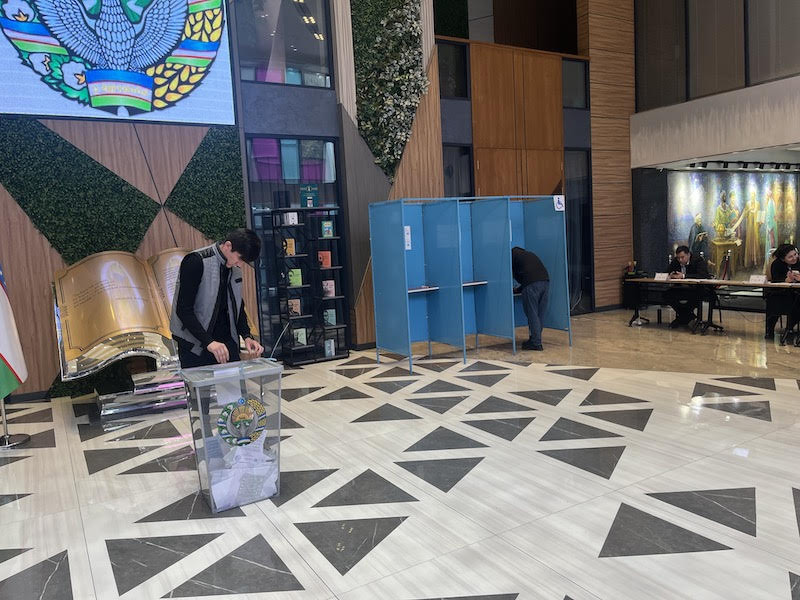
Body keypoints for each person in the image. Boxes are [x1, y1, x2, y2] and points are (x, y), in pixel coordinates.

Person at [171, 229, 265, 368]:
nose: (240, 264)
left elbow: (237, 305)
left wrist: (247, 336)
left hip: (226, 344)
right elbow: (183, 310)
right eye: (239, 258)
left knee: (233, 389)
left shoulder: (235, 269)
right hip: (195, 345)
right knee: (201, 389)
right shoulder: (196, 262)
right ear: (228, 246)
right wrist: (209, 342)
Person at [512, 246, 549, 351]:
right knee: (539, 314)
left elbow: (522, 278)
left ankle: (536, 343)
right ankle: (535, 339)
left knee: (532, 313)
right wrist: (519, 289)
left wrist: (516, 290)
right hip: (545, 282)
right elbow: (529, 274)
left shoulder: (512, 258)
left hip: (532, 284)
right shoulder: (529, 254)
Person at [665, 245, 710, 328]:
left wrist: (683, 276)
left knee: (695, 297)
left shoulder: (698, 260)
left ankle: (682, 318)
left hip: (695, 289)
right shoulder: (676, 261)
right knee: (667, 295)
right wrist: (670, 275)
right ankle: (688, 317)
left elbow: (703, 275)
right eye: (678, 258)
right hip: (680, 288)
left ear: (689, 255)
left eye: (682, 257)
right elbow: (667, 272)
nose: (680, 260)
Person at [765, 243, 800, 344]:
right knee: (774, 300)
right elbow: (775, 280)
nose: (794, 258)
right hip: (781, 292)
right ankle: (770, 329)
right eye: (790, 257)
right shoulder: (777, 264)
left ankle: (790, 327)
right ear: (783, 259)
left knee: (796, 300)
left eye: (795, 254)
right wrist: (786, 280)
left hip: (797, 292)